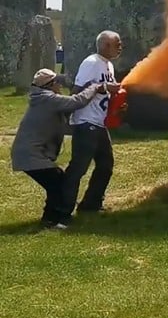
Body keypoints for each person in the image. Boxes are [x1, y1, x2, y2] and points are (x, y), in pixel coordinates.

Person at [10, 69, 104, 229]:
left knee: (56, 183)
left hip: (28, 153)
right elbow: (77, 101)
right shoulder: (48, 99)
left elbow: (63, 123)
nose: (60, 85)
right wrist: (94, 87)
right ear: (50, 85)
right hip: (31, 155)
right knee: (59, 183)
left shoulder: (43, 99)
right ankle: (52, 221)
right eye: (57, 82)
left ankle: (50, 219)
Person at [61, 30, 125, 216]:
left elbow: (105, 95)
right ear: (105, 45)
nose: (120, 47)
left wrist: (117, 107)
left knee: (105, 165)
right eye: (117, 44)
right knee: (78, 168)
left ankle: (90, 204)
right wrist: (68, 118)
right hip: (86, 122)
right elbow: (76, 91)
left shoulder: (109, 66)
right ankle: (61, 210)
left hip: (99, 123)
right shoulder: (92, 63)